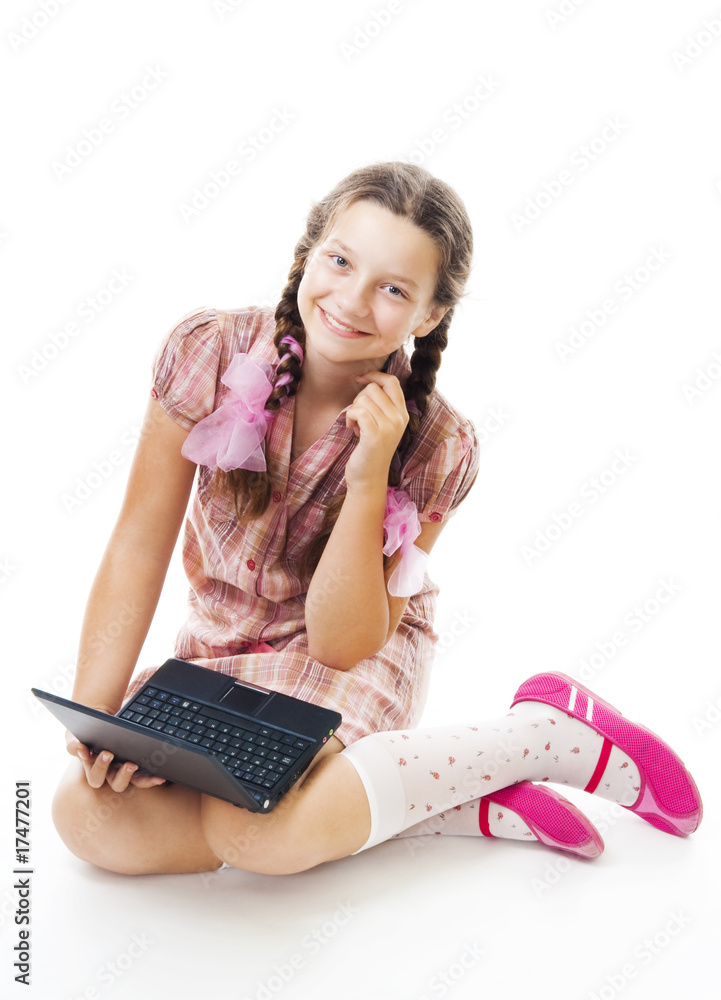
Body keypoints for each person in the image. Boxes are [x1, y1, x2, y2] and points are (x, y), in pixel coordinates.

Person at [51, 162, 702, 876]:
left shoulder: (439, 444)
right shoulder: (208, 352)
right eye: (339, 261)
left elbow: (340, 641)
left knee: (254, 837)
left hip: (356, 652)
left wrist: (369, 475)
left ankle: (537, 736)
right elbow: (138, 544)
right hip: (226, 648)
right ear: (307, 255)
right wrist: (98, 720)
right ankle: (436, 800)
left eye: (392, 289)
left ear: (427, 316)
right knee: (87, 820)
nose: (352, 300)